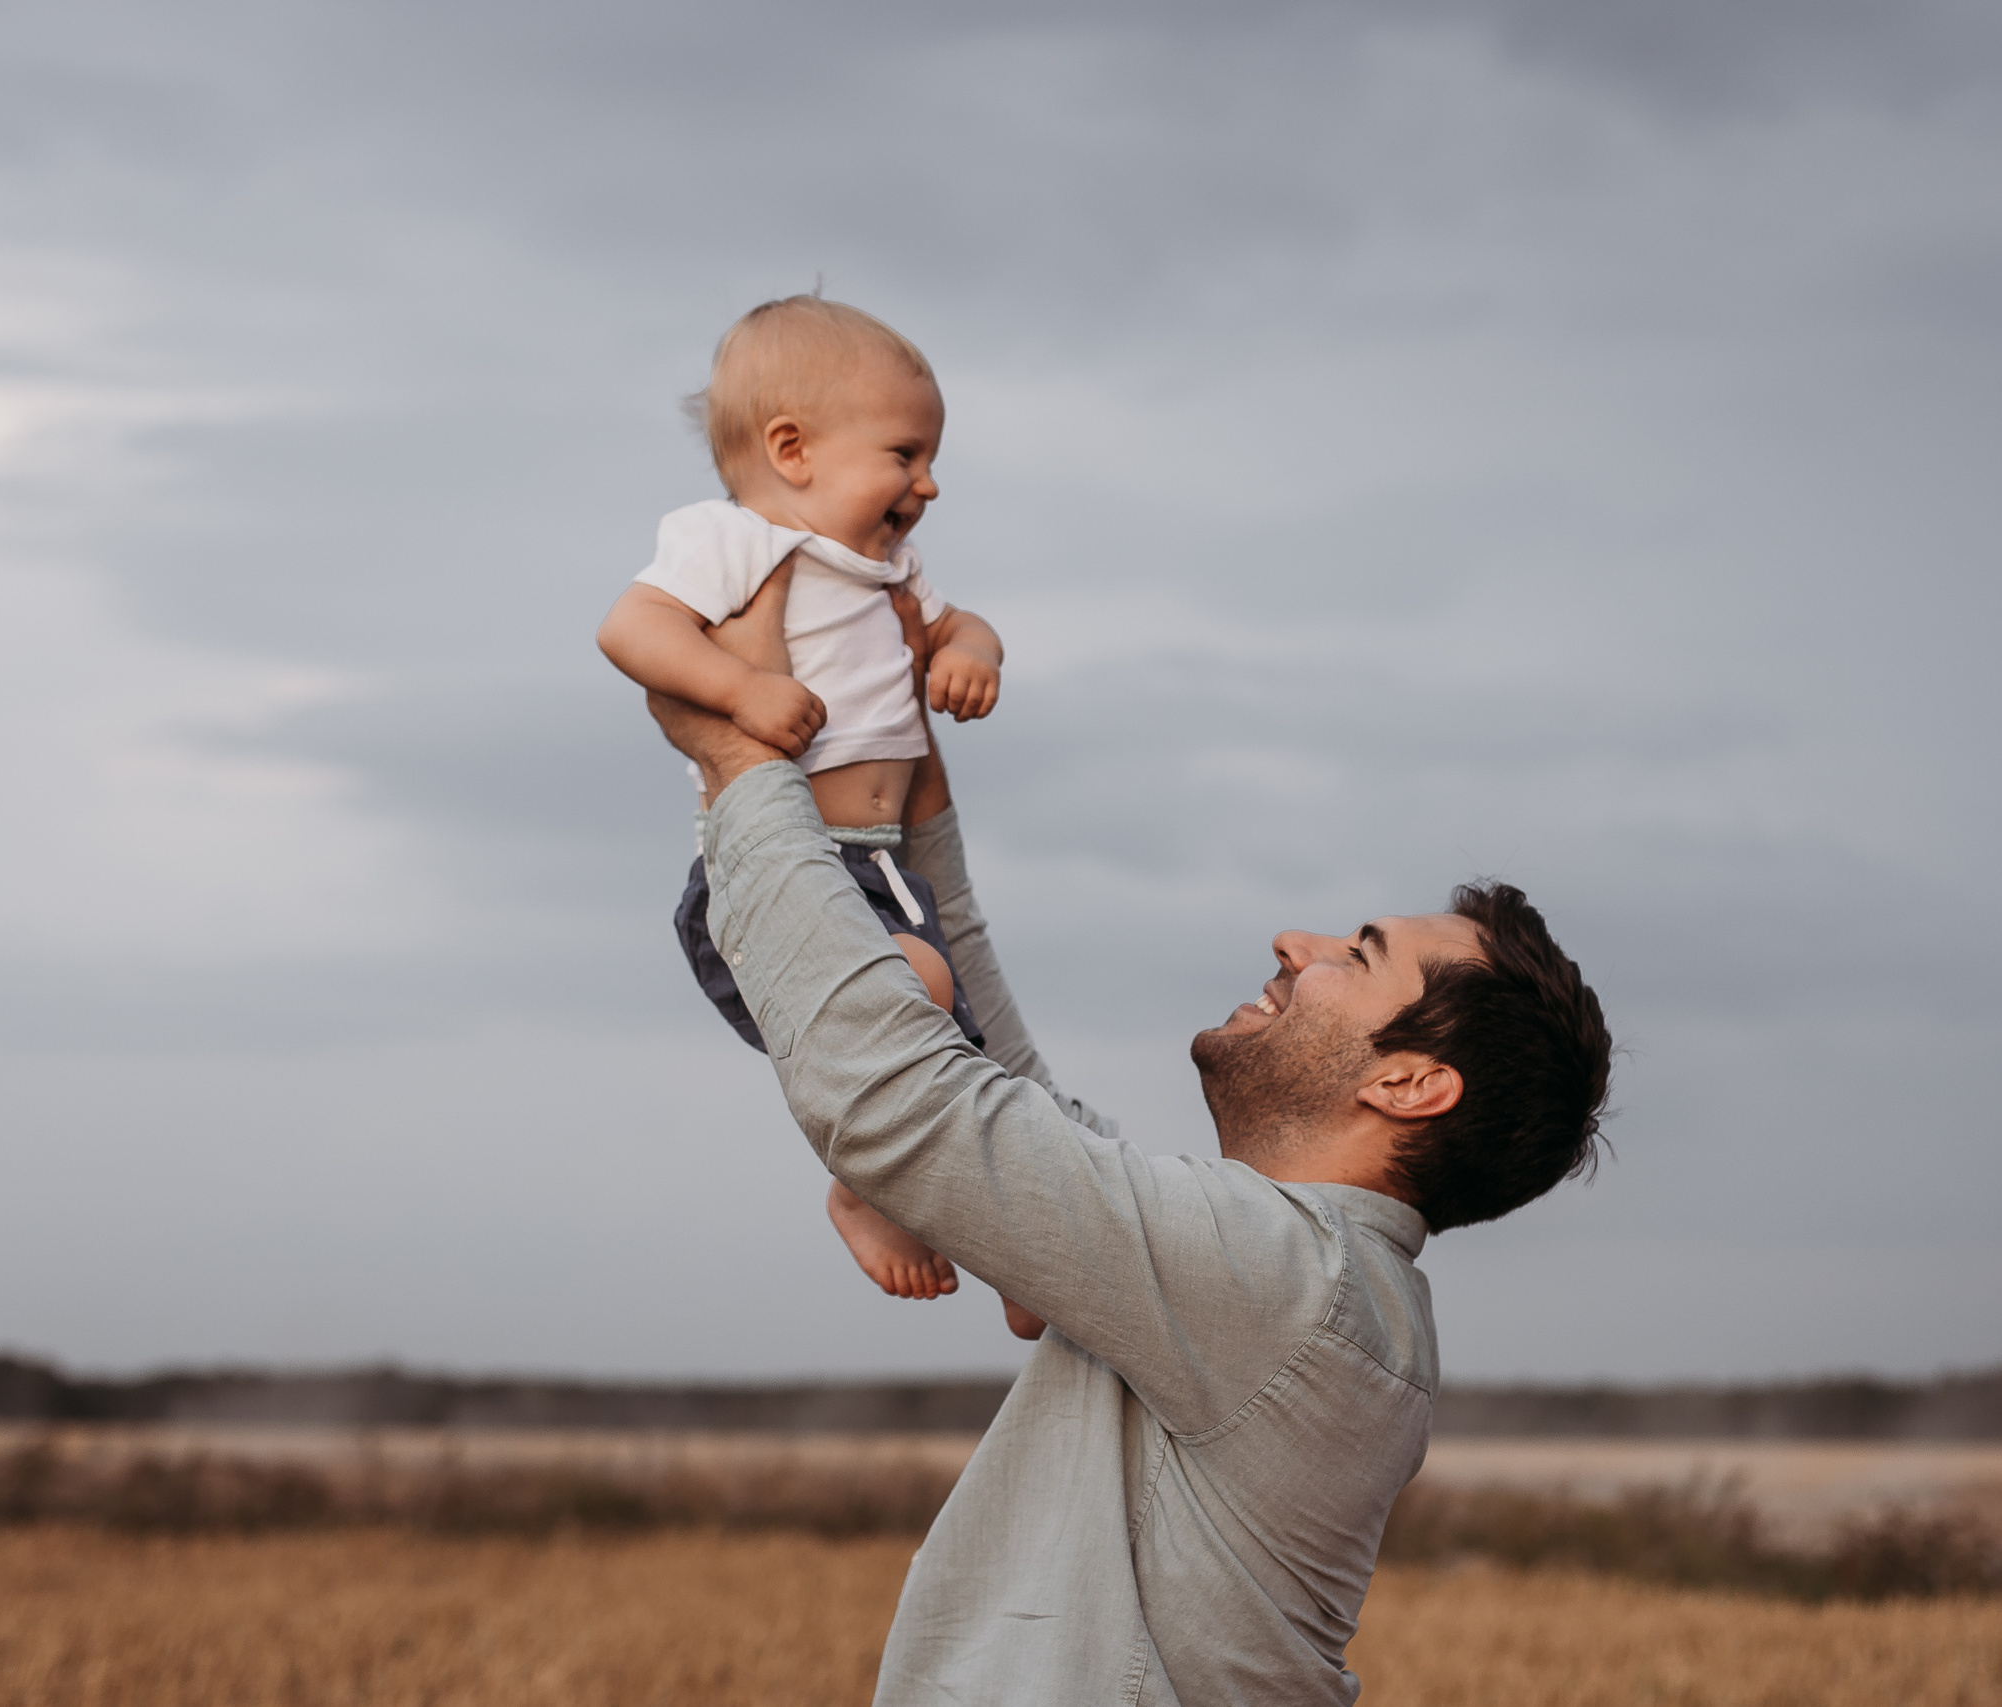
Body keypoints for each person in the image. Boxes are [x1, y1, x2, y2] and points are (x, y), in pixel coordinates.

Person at [652, 694, 1613, 1706]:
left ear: (1410, 1085)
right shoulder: (1303, 1281)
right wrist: (910, 800)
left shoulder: (1288, 1280)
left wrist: (740, 769)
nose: (1296, 941)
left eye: (1358, 955)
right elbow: (1008, 1099)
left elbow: (900, 1101)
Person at [597, 296, 1106, 1338]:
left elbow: (962, 623)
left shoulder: (887, 573)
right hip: (779, 873)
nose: (927, 482)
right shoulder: (733, 541)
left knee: (955, 1057)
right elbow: (632, 627)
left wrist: (973, 653)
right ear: (792, 449)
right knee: (913, 999)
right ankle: (864, 1184)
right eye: (906, 453)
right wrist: (738, 696)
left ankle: (1016, 1233)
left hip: (879, 868)